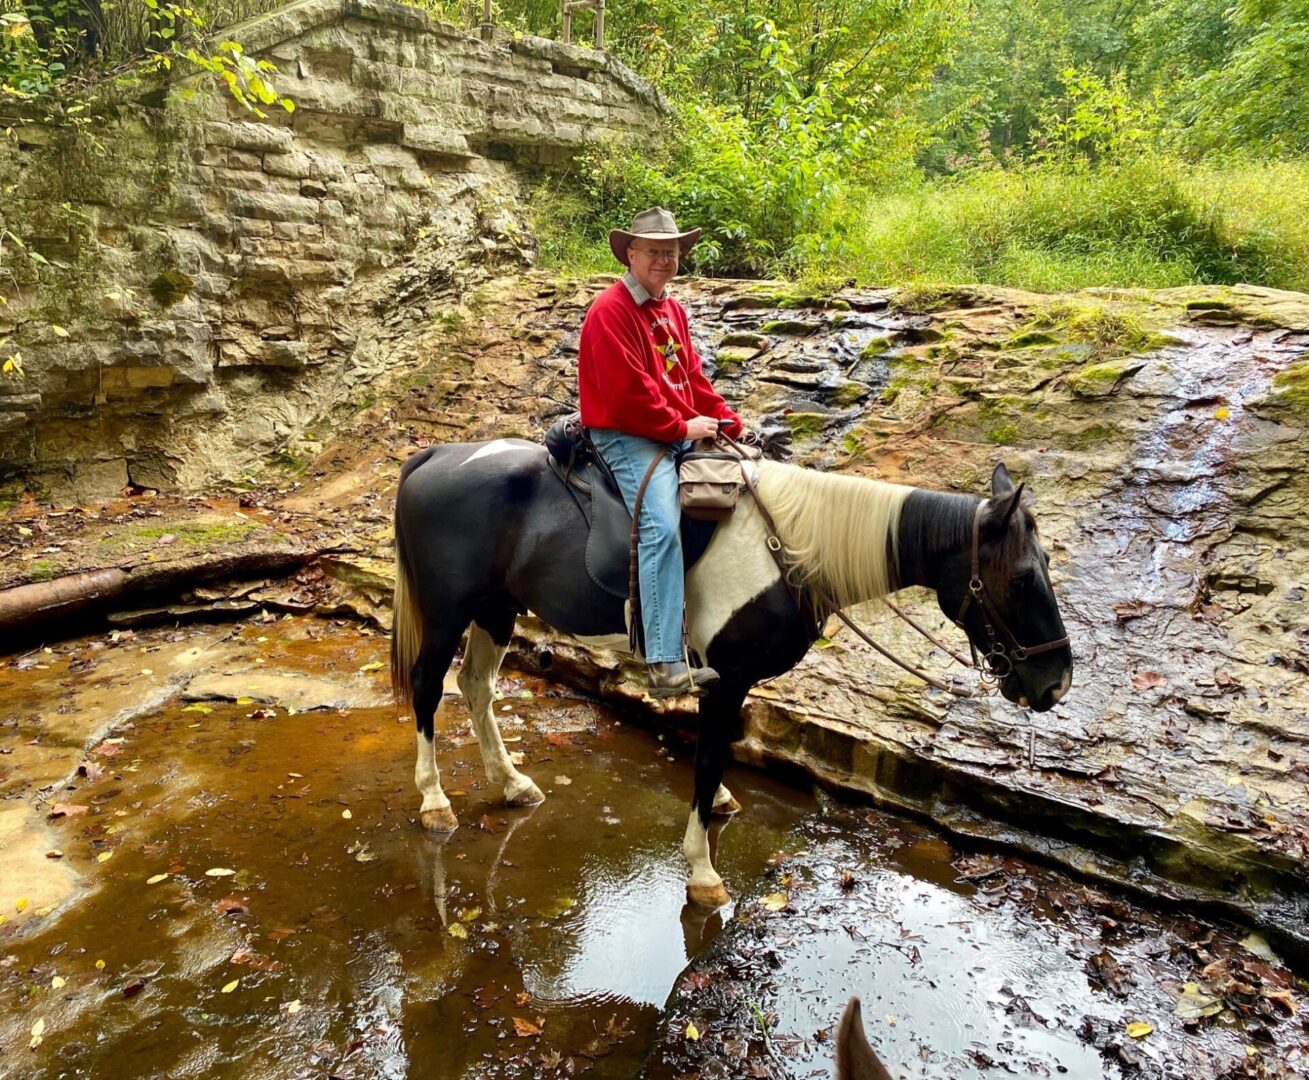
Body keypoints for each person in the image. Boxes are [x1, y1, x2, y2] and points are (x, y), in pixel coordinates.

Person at [578, 207, 744, 698]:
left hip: (669, 428)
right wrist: (682, 426)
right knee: (660, 528)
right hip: (625, 435)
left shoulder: (671, 310)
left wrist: (730, 420)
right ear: (630, 253)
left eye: (671, 253)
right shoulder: (610, 310)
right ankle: (664, 661)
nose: (664, 261)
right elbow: (629, 397)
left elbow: (691, 378)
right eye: (654, 251)